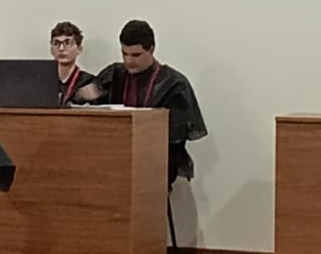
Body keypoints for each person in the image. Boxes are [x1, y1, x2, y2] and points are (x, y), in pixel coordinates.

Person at [86, 20, 207, 186]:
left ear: (151, 49)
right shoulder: (114, 75)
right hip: (113, 166)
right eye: (124, 54)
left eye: (136, 55)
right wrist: (85, 95)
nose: (129, 60)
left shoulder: (174, 84)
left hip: (155, 170)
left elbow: (175, 141)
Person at [49, 21, 90, 107]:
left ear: (79, 49)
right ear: (51, 50)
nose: (61, 48)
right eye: (56, 43)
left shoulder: (88, 82)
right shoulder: (43, 82)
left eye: (67, 43)